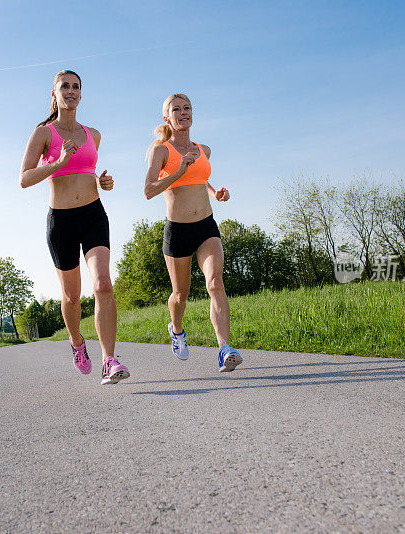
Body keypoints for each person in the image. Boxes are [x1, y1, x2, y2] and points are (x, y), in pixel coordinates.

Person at [19, 70, 129, 385]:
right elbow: (24, 178)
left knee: (104, 284)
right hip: (62, 221)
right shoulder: (43, 133)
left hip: (94, 214)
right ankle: (78, 343)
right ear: (53, 94)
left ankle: (110, 359)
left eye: (76, 87)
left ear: (81, 95)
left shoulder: (92, 134)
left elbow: (88, 172)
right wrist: (56, 163)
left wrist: (102, 182)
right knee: (71, 296)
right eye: (64, 86)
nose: (70, 91)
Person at [143, 93, 243, 372]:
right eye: (176, 109)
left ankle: (224, 348)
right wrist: (179, 171)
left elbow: (200, 177)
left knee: (215, 283)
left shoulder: (204, 149)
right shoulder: (160, 150)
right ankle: (176, 330)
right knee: (180, 294)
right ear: (167, 117)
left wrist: (215, 192)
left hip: (206, 226)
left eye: (187, 108)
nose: (183, 112)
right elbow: (149, 190)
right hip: (177, 230)